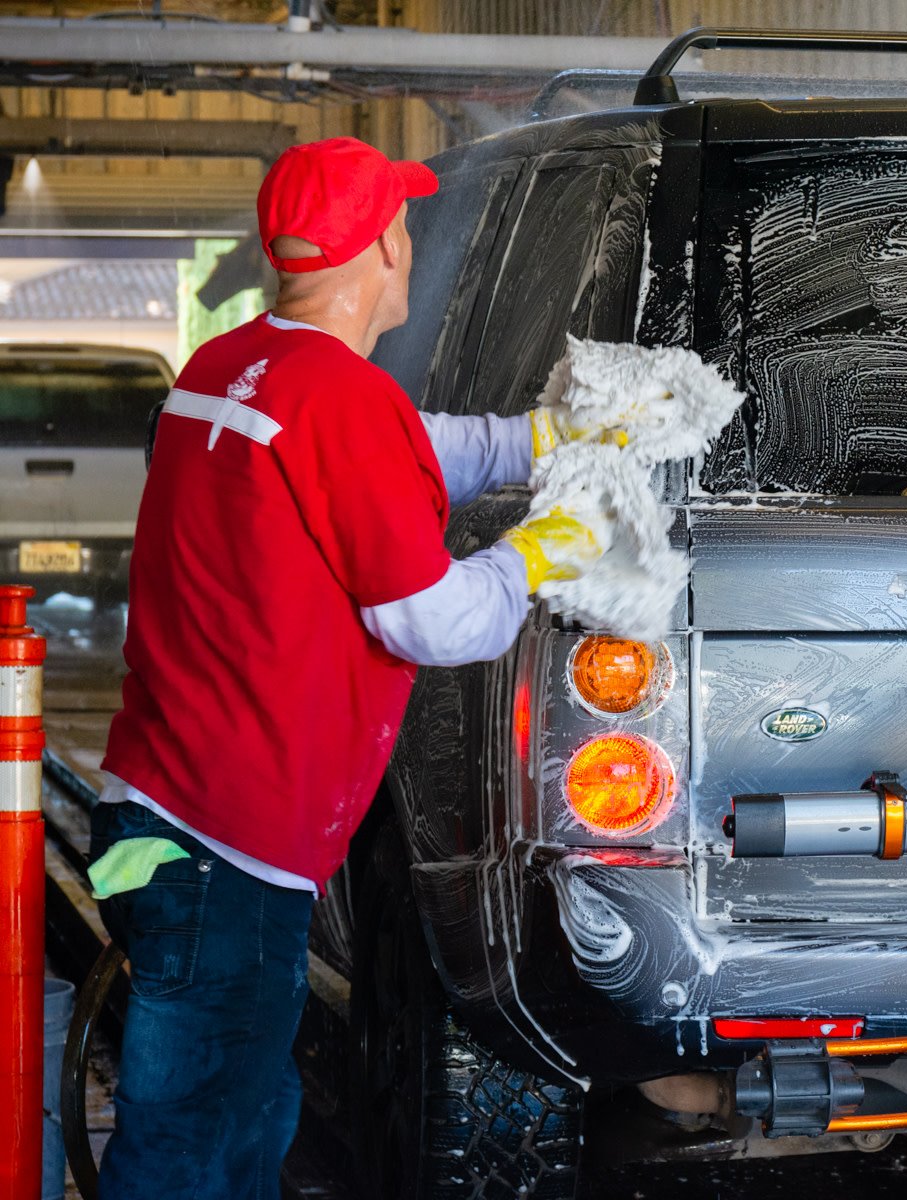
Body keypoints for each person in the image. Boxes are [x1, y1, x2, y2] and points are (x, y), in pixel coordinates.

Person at [86, 136, 608, 1200]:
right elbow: (433, 621)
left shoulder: (230, 369)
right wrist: (539, 554)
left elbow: (416, 445)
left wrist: (549, 441)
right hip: (224, 857)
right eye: (402, 228)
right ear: (382, 248)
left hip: (146, 822)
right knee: (197, 1136)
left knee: (237, 1106)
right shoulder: (340, 403)